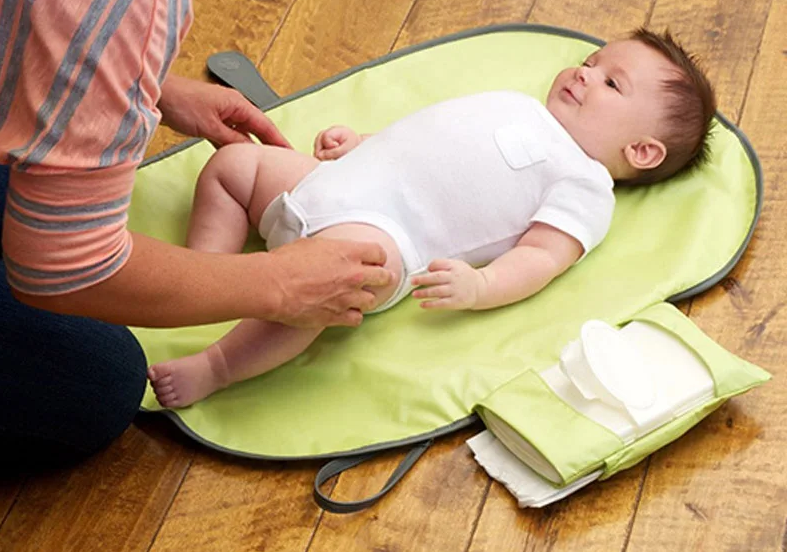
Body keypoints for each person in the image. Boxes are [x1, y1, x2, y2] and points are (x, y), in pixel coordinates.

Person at [0, 0, 395, 471]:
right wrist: (273, 284)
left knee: (16, 192)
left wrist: (144, 81)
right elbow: (60, 268)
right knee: (94, 381)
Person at [147, 28, 717, 408]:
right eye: (592, 63)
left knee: (322, 291)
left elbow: (542, 257)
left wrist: (481, 285)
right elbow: (426, 139)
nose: (585, 73)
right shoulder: (520, 104)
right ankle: (206, 270)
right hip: (327, 183)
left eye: (611, 82)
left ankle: (218, 365)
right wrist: (363, 144)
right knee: (233, 164)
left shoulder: (587, 184)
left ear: (642, 152)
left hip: (383, 237)